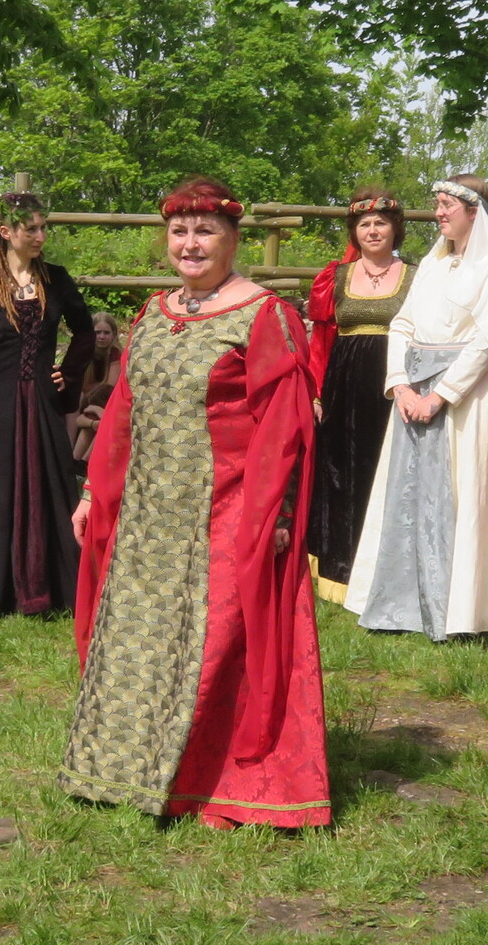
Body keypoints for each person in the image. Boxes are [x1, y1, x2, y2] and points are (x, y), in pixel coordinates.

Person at [65, 178, 328, 827]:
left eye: (205, 231)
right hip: (147, 516)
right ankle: (122, 772)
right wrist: (96, 489)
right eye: (179, 232)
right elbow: (123, 410)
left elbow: (287, 427)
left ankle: (213, 784)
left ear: (233, 240)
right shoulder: (154, 313)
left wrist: (278, 514)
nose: (190, 243)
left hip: (229, 512)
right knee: (141, 642)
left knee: (217, 645)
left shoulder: (265, 315)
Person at [344, 174, 488, 640]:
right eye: (438, 204)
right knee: (405, 496)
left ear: (474, 212)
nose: (439, 212)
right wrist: (400, 385)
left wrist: (442, 394)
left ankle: (461, 610)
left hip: (465, 396)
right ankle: (399, 604)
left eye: (448, 205)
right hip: (414, 390)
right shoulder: (434, 262)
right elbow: (402, 323)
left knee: (462, 492)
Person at [0, 191, 97, 615]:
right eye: (30, 228)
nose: (40, 236)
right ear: (6, 232)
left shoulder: (56, 279)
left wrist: (68, 374)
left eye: (43, 227)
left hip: (43, 401)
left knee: (50, 484)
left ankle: (51, 589)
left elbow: (85, 332)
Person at [302, 187, 413, 603]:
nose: (373, 230)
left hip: (395, 384)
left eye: (381, 222)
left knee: (388, 472)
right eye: (364, 224)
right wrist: (316, 394)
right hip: (343, 387)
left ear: (395, 229)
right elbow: (321, 341)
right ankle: (340, 570)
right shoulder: (336, 278)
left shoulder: (416, 276)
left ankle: (389, 571)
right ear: (354, 231)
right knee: (341, 474)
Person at [69, 310, 122, 465]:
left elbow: (109, 387)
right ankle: (70, 452)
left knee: (99, 395)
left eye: (106, 333)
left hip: (106, 402)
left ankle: (78, 461)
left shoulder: (115, 353)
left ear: (114, 334)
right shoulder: (86, 352)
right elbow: (80, 384)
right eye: (97, 332)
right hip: (89, 402)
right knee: (75, 396)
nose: (102, 337)